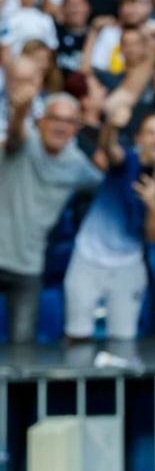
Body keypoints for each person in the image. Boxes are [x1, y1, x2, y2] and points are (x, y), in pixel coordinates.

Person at [64, 107, 155, 340]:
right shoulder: (125, 161)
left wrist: (152, 204)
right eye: (151, 132)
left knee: (123, 341)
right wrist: (111, 126)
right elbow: (109, 148)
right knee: (76, 335)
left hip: (129, 265)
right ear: (139, 139)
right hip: (87, 257)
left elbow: (154, 236)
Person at [0, 92, 103, 342]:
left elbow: (109, 184)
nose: (61, 126)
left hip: (29, 266)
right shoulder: (26, 143)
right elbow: (14, 137)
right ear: (41, 121)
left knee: (23, 351)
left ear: (76, 129)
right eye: (55, 118)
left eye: (69, 121)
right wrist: (20, 112)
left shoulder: (77, 164)